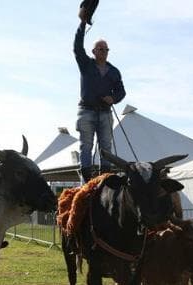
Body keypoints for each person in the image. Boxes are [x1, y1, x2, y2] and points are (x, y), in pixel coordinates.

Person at [74, 7, 126, 183]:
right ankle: (86, 180)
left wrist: (114, 99)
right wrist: (82, 24)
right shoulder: (86, 64)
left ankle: (106, 180)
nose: (103, 51)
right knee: (86, 146)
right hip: (86, 110)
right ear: (93, 51)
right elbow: (77, 47)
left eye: (106, 49)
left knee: (106, 147)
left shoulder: (114, 71)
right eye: (100, 49)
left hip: (105, 112)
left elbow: (121, 91)